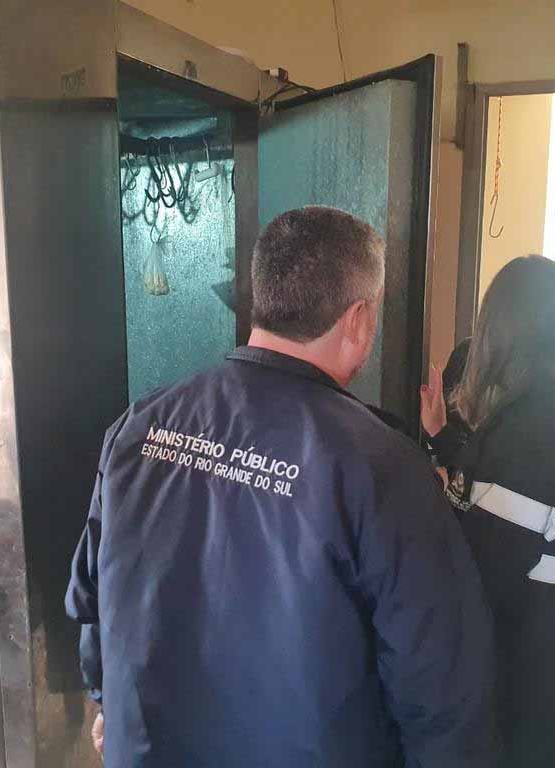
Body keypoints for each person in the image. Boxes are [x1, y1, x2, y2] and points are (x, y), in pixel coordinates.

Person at [66, 206, 497, 768]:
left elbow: (93, 598)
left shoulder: (140, 426)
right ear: (359, 319)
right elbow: (440, 691)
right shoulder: (384, 468)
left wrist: (108, 701)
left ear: (262, 297)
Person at [422, 255, 555, 768]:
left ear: (501, 333)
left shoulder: (532, 431)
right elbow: (512, 503)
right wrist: (443, 439)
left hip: (522, 695)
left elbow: (476, 577)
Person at [422, 259, 555, 468]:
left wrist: (440, 434)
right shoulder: (468, 353)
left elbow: (492, 472)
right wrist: (440, 432)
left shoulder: (532, 417)